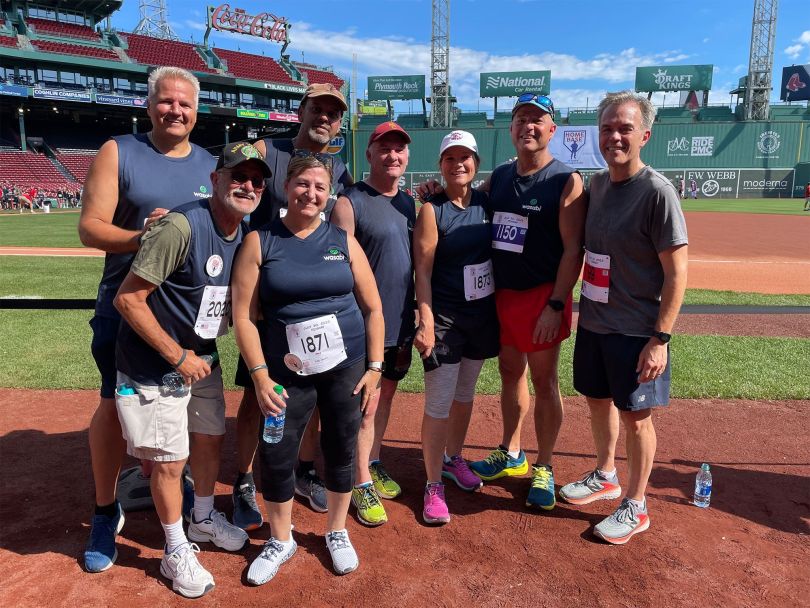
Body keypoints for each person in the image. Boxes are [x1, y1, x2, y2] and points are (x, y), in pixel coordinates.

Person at [112, 141, 268, 596]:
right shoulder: (180, 226)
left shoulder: (243, 231)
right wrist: (176, 356)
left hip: (201, 358)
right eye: (237, 176)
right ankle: (175, 548)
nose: (248, 185)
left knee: (209, 437)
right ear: (216, 179)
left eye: (256, 180)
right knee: (168, 457)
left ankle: (201, 517)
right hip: (155, 362)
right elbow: (128, 299)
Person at [78, 66, 216, 574]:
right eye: (166, 101)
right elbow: (90, 228)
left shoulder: (211, 165)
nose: (175, 110)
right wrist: (146, 237)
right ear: (148, 104)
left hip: (187, 319)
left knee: (188, 416)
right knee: (113, 407)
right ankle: (102, 509)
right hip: (126, 303)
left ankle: (186, 508)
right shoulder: (121, 150)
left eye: (184, 103)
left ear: (196, 109)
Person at [231, 155, 384, 584]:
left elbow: (373, 308)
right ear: (286, 185)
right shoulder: (261, 241)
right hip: (284, 373)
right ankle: (282, 538)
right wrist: (259, 374)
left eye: (320, 186)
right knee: (278, 452)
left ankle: (336, 530)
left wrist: (374, 366)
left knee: (340, 446)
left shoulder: (342, 240)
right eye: (303, 184)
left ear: (328, 192)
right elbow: (242, 315)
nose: (311, 194)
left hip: (345, 367)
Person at [559, 91, 688, 545]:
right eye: (608, 127)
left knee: (637, 418)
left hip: (636, 331)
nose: (614, 135)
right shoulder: (596, 185)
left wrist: (662, 338)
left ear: (644, 136)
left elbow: (677, 274)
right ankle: (605, 474)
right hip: (595, 323)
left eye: (624, 128)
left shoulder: (657, 192)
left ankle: (636, 504)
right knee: (597, 401)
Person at [230, 82, 353, 529]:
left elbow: (346, 223)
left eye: (333, 113)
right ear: (301, 110)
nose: (324, 118)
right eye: (317, 109)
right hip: (268, 301)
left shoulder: (338, 167)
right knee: (254, 397)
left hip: (315, 308)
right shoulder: (267, 149)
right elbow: (227, 178)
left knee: (315, 395)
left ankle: (302, 470)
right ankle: (244, 479)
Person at [462, 94, 586, 511]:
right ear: (511, 130)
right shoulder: (498, 177)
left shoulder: (565, 180)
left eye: (537, 120)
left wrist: (556, 304)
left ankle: (545, 465)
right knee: (510, 373)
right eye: (520, 119)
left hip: (542, 297)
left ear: (552, 130)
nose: (528, 126)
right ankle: (511, 452)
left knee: (544, 381)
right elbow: (466, 200)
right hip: (502, 295)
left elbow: (573, 251)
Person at [331, 121, 417, 526]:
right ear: (369, 154)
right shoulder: (350, 202)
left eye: (399, 149)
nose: (393, 155)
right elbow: (337, 266)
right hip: (363, 323)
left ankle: (373, 458)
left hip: (399, 320)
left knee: (385, 399)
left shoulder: (409, 204)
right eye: (384, 148)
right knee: (365, 406)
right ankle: (359, 478)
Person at [413, 130, 499, 524]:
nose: (458, 164)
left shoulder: (487, 202)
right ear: (442, 165)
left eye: (465, 158)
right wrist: (426, 320)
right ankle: (433, 484)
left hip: (480, 317)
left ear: (476, 164)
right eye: (450, 158)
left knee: (465, 395)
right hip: (445, 319)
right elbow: (423, 272)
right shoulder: (432, 209)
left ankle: (453, 458)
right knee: (439, 401)